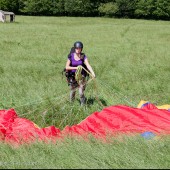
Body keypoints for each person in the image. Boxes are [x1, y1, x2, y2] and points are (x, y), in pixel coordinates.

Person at [65, 41, 96, 106]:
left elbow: (88, 65)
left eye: (79, 48)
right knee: (72, 91)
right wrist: (76, 68)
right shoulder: (71, 56)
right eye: (76, 48)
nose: (78, 50)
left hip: (81, 77)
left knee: (81, 92)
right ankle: (71, 104)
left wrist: (92, 73)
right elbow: (67, 67)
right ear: (74, 48)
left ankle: (83, 106)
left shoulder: (83, 56)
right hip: (72, 76)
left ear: (81, 49)